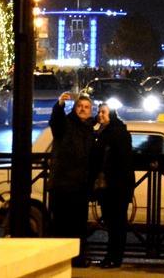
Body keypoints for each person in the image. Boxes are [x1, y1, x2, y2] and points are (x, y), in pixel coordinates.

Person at [48, 92, 95, 268]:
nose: (83, 109)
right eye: (80, 106)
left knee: (78, 226)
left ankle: (77, 258)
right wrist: (59, 104)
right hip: (63, 184)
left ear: (91, 111)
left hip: (80, 186)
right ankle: (60, 260)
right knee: (62, 225)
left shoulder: (89, 128)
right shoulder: (66, 124)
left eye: (86, 107)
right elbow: (56, 122)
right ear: (74, 109)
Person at [91, 103, 135, 269]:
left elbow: (119, 161)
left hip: (115, 187)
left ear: (112, 115)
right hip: (113, 186)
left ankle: (113, 257)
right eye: (98, 112)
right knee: (114, 224)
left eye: (103, 112)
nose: (100, 115)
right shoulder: (112, 131)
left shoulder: (113, 133)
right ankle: (114, 257)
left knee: (115, 224)